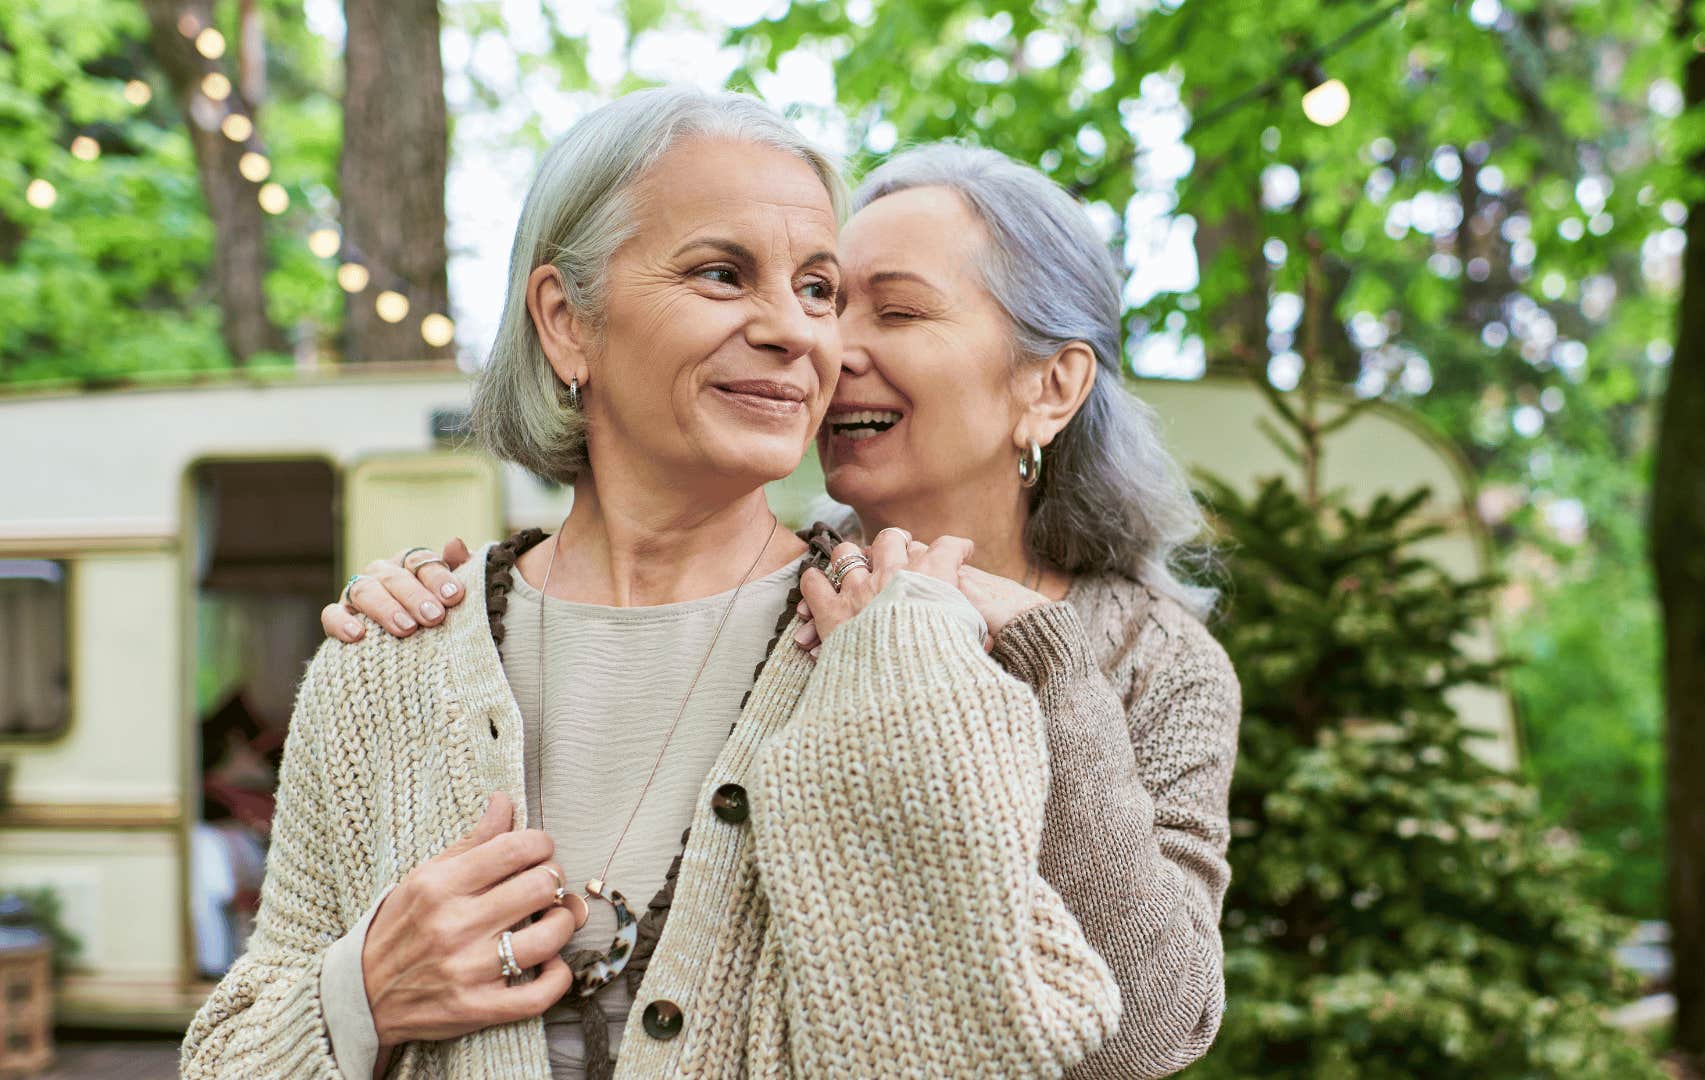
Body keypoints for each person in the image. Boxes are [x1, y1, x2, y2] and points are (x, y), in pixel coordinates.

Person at [183, 88, 1121, 1080]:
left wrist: (897, 722)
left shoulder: (902, 654)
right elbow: (228, 1052)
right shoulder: (389, 668)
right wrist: (361, 993)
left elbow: (1003, 1043)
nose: (797, 333)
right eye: (723, 274)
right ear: (565, 321)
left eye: (817, 290)